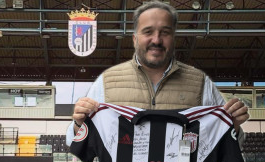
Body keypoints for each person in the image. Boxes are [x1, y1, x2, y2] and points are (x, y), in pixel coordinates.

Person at [66, 0, 249, 146]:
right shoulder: (106, 82)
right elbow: (72, 141)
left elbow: (234, 143)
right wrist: (79, 124)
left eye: (165, 32)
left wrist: (233, 125)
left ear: (173, 38)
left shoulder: (201, 83)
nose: (156, 40)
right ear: (135, 39)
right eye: (148, 32)